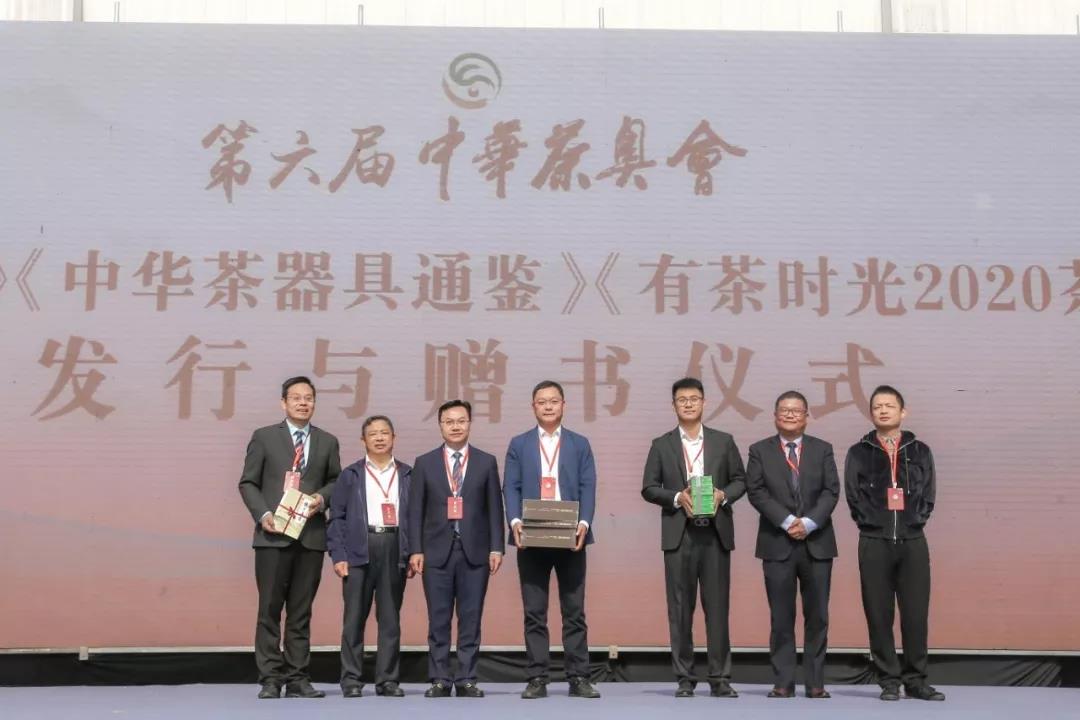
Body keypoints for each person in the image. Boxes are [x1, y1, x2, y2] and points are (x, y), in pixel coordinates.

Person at [641, 377, 746, 698]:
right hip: (679, 534)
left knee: (717, 608)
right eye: (682, 399)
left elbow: (740, 480)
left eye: (694, 398)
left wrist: (722, 495)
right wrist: (676, 497)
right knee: (680, 609)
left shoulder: (723, 441)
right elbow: (649, 487)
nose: (688, 404)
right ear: (673, 405)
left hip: (715, 534)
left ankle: (720, 678)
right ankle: (685, 679)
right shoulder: (661, 444)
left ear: (704, 402)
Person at [238, 376, 342, 699]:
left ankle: (298, 678)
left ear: (314, 403)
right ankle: (270, 678)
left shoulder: (327, 441)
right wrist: (263, 514)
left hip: (310, 537)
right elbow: (248, 482)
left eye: (308, 398)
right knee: (269, 610)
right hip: (273, 536)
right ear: (283, 402)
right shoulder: (264, 437)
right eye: (296, 397)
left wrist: (321, 499)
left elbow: (336, 482)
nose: (302, 403)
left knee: (301, 612)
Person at [844, 385, 944, 702]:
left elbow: (929, 493)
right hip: (874, 541)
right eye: (877, 407)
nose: (883, 410)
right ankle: (888, 680)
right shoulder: (859, 452)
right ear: (871, 414)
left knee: (915, 615)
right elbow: (853, 495)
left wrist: (915, 520)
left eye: (889, 405)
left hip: (913, 541)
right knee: (878, 614)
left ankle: (916, 680)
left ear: (903, 412)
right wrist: (872, 522)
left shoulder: (920, 450)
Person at [503, 380, 600, 700]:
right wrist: (515, 521)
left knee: (574, 611)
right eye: (541, 401)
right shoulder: (519, 444)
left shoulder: (579, 443)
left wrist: (584, 522)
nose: (548, 406)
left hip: (571, 535)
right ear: (533, 406)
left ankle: (579, 677)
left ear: (563, 405)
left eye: (554, 401)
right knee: (534, 612)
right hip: (530, 535)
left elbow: (588, 485)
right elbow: (511, 486)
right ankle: (537, 678)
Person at [407, 399, 505, 698]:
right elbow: (415, 510)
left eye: (461, 421)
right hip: (435, 553)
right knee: (438, 619)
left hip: (475, 552)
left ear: (469, 423)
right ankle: (439, 678)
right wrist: (415, 549)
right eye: (449, 421)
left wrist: (497, 548)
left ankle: (466, 678)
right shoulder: (424, 463)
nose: (455, 426)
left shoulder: (486, 461)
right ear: (440, 426)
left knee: (471, 618)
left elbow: (494, 507)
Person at [746, 390, 839, 699]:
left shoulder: (823, 449)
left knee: (818, 616)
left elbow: (831, 491)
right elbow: (756, 492)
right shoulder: (759, 451)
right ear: (775, 416)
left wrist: (809, 523)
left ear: (806, 417)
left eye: (796, 410)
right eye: (784, 410)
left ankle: (815, 683)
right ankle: (783, 682)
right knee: (781, 617)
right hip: (777, 543)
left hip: (818, 543)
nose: (789, 414)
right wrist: (787, 522)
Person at [327, 415, 412, 698]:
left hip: (393, 546)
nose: (379, 438)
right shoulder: (350, 475)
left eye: (384, 433)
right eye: (373, 434)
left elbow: (416, 517)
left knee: (390, 619)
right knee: (354, 618)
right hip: (358, 549)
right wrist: (338, 554)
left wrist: (412, 551)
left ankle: (388, 680)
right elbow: (336, 517)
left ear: (394, 438)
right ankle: (351, 679)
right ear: (363, 440)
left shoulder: (407, 474)